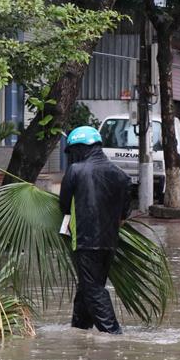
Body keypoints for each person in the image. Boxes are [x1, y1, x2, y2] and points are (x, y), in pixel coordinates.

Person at [59, 125, 132, 334]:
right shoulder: (121, 176)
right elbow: (124, 215)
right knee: (87, 286)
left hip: (84, 240)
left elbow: (64, 206)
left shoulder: (75, 170)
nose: (72, 157)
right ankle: (80, 329)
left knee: (92, 288)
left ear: (80, 148)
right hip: (110, 243)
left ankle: (113, 333)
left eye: (72, 152)